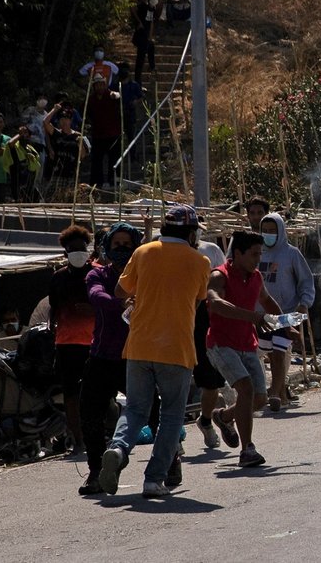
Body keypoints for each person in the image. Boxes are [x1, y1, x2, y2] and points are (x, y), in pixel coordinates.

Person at [99, 204, 211, 498]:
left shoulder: (143, 252)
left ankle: (118, 450)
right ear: (190, 232)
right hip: (176, 348)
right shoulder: (200, 262)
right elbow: (198, 302)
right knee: (172, 415)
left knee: (135, 408)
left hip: (139, 344)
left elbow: (120, 292)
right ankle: (153, 479)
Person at [207, 231, 283, 466]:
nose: (257, 259)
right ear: (237, 253)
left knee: (259, 399)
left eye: (260, 254)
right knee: (246, 389)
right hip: (221, 344)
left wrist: (285, 325)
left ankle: (224, 416)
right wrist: (252, 316)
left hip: (246, 344)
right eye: (253, 254)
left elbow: (267, 302)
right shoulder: (219, 276)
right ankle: (247, 450)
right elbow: (215, 304)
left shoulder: (256, 276)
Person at [78, 222, 142, 495]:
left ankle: (170, 458)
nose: (122, 250)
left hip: (137, 356)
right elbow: (97, 297)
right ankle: (95, 471)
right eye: (116, 245)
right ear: (106, 248)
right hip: (102, 355)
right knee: (90, 412)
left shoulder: (145, 274)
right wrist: (122, 303)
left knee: (152, 412)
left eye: (128, 245)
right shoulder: (98, 276)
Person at [257, 213, 315, 411]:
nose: (268, 235)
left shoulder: (291, 254)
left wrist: (304, 304)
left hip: (288, 313)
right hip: (261, 314)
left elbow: (306, 282)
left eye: (272, 231)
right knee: (268, 354)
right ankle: (279, 393)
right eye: (265, 231)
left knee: (280, 352)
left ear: (281, 231)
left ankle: (275, 392)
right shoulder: (257, 252)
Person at [49, 225, 95, 455]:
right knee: (71, 395)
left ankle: (98, 434)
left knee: (97, 393)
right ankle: (78, 440)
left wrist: (92, 310)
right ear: (65, 252)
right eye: (73, 249)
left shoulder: (98, 274)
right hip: (66, 344)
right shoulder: (58, 278)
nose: (78, 252)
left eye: (81, 248)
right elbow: (53, 310)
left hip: (96, 343)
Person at [192, 238, 228, 450]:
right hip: (175, 321)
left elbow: (224, 281)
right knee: (173, 384)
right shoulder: (161, 249)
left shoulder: (210, 251)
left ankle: (205, 421)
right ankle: (173, 439)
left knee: (211, 383)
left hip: (203, 321)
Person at [85, 73, 122, 189]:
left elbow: (118, 95)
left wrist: (115, 95)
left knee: (114, 159)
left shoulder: (111, 95)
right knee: (96, 160)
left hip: (113, 134)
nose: (99, 87)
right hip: (98, 135)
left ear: (104, 85)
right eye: (97, 85)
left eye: (101, 85)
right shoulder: (91, 100)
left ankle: (114, 181)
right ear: (94, 86)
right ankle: (96, 183)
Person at [131, 0, 159, 84]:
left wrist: (150, 37)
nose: (155, 0)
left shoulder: (152, 9)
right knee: (140, 58)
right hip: (140, 35)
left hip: (146, 36)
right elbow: (133, 8)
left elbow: (151, 23)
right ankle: (137, 80)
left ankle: (152, 68)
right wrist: (139, 22)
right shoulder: (143, 6)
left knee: (151, 46)